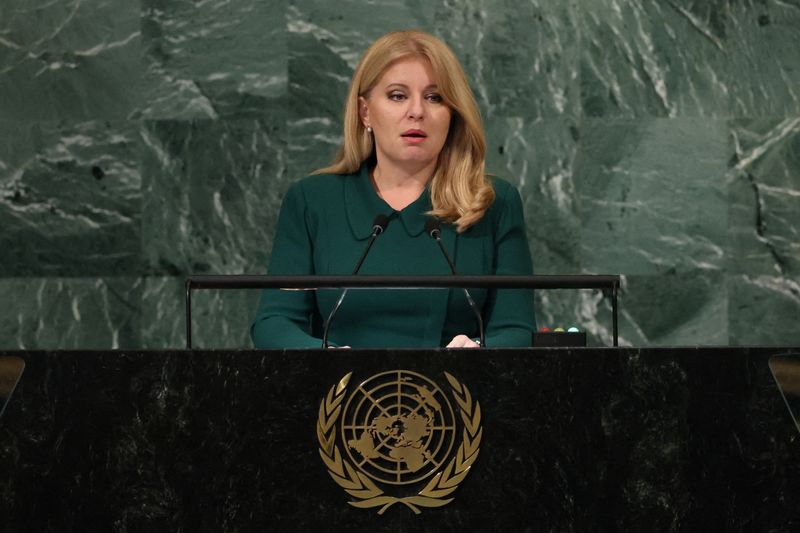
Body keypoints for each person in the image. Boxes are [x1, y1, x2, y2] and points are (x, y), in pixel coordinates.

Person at [250, 30, 535, 349]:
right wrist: (325, 360)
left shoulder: (494, 202)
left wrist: (479, 353)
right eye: (398, 95)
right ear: (365, 112)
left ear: (452, 114)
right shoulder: (311, 200)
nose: (417, 112)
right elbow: (275, 322)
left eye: (434, 97)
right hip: (339, 395)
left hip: (459, 394)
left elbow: (516, 327)